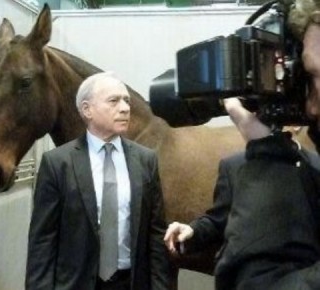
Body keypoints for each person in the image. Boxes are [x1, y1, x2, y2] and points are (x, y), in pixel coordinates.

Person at [164, 1, 320, 289]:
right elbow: (222, 217)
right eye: (308, 77)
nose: (310, 108)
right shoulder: (234, 166)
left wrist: (266, 150)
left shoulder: (310, 167)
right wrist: (195, 231)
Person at [25, 72, 172, 290]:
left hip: (131, 282)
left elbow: (156, 234)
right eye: (114, 101)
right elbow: (43, 241)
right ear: (87, 110)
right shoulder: (57, 163)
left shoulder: (145, 160)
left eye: (127, 101)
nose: (124, 108)